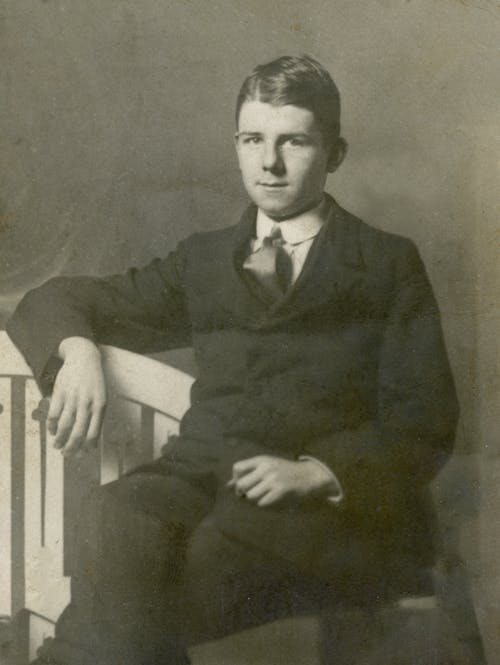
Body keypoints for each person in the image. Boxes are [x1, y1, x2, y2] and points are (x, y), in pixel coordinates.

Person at [7, 55, 459, 665]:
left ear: (336, 152)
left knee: (148, 589)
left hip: (325, 508)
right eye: (253, 139)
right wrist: (77, 350)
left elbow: (424, 421)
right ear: (237, 145)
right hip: (199, 479)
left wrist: (318, 471)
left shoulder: (384, 263)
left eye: (293, 141)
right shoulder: (205, 260)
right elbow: (52, 299)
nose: (268, 163)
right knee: (113, 516)